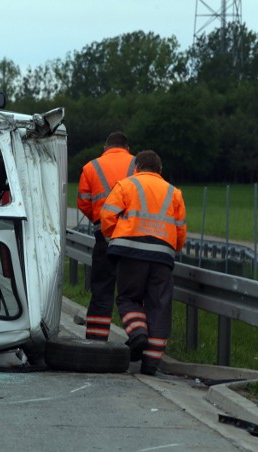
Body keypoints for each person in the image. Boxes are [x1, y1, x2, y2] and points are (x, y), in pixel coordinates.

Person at [100, 150, 187, 375]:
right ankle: (150, 364)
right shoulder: (174, 192)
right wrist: (171, 249)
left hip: (130, 251)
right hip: (162, 256)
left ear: (136, 167)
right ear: (160, 170)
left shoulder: (126, 185)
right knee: (159, 306)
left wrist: (114, 238)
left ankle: (138, 333)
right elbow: (180, 230)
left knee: (128, 297)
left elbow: (107, 217)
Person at [77, 131, 135, 341]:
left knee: (102, 290)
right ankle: (138, 336)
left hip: (105, 236)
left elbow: (83, 201)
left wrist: (98, 220)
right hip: (134, 235)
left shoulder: (91, 167)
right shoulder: (139, 164)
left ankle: (96, 341)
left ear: (105, 148)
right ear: (127, 148)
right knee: (133, 292)